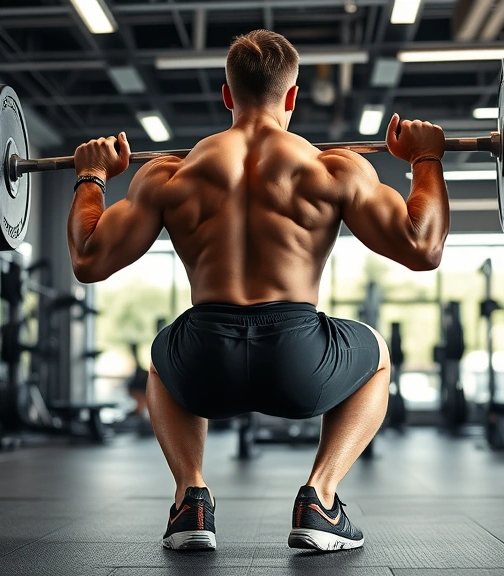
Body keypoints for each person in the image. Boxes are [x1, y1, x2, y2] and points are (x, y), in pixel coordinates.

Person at [66, 29, 449, 552]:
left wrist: (91, 175)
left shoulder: (168, 175)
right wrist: (426, 160)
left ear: (227, 94)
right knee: (378, 356)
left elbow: (88, 260)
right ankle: (320, 499)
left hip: (205, 364)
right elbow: (423, 247)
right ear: (292, 97)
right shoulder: (332, 168)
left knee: (160, 358)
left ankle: (190, 498)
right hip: (300, 363)